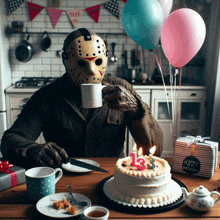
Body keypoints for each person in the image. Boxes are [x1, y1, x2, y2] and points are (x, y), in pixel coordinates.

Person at [1, 28, 163, 169]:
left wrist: (136, 109)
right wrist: (31, 149)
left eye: (97, 61)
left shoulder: (123, 90)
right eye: (81, 63)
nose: (92, 71)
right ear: (66, 61)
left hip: (113, 176)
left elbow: (155, 149)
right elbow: (9, 140)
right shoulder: (47, 96)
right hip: (63, 176)